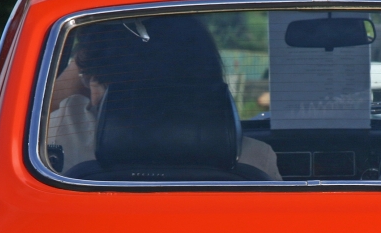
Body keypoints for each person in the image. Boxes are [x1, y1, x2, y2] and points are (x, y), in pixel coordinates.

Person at [46, 17, 281, 179]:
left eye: (94, 80)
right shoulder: (254, 158)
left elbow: (33, 111)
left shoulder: (59, 132)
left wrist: (101, 45)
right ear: (206, 75)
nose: (93, 96)